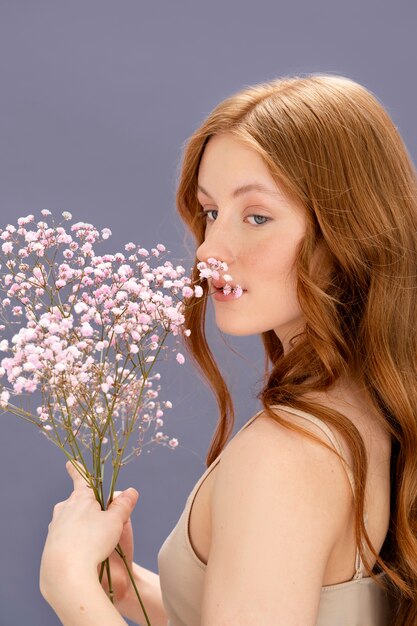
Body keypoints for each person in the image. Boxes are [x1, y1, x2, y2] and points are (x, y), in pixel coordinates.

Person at [39, 73, 417, 625]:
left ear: (349, 232)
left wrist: (71, 588)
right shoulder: (365, 408)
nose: (211, 249)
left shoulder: (287, 456)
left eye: (256, 217)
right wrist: (128, 594)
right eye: (211, 212)